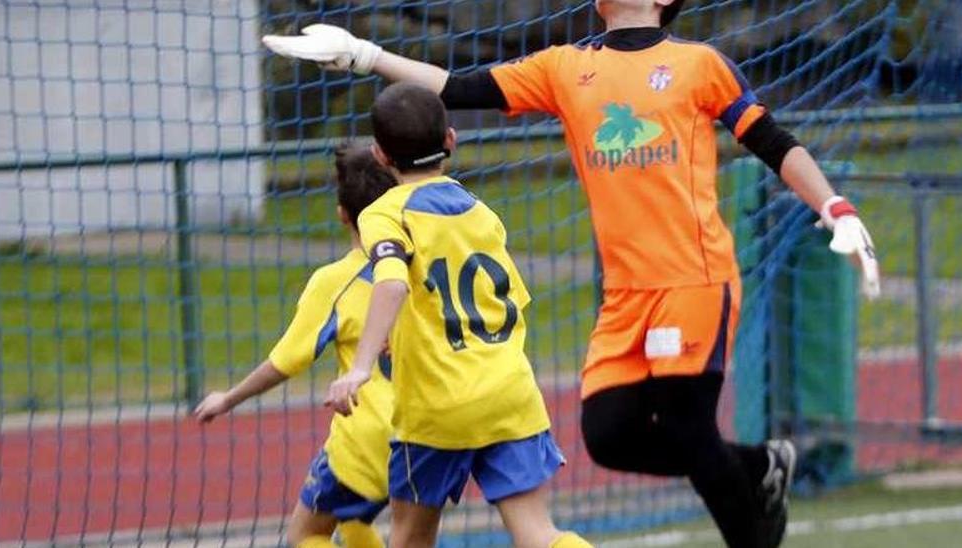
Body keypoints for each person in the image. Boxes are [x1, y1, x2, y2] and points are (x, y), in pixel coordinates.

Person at [263, 1, 881, 547]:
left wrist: (834, 206)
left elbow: (774, 141)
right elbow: (457, 86)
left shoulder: (699, 64)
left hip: (693, 278)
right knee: (608, 435)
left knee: (689, 427)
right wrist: (365, 54)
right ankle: (756, 467)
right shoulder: (565, 68)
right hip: (625, 296)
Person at [322, 83, 591, 548]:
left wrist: (361, 366)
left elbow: (391, 281)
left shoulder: (384, 214)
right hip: (509, 392)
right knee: (538, 533)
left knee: (409, 537)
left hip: (437, 406)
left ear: (380, 155)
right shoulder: (481, 213)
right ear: (451, 139)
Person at [193, 144, 398, 548]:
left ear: (342, 215)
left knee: (304, 534)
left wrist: (229, 399)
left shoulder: (334, 282)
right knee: (357, 521)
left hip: (366, 443)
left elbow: (285, 362)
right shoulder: (420, 266)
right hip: (426, 436)